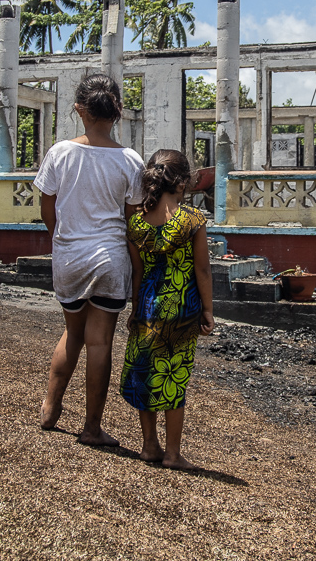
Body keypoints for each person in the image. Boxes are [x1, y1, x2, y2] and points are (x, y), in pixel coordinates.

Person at [35, 74, 145, 446]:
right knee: (100, 343)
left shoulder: (59, 153)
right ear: (117, 111)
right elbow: (133, 224)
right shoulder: (130, 160)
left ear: (79, 110)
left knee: (73, 333)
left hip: (69, 256)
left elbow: (47, 208)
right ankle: (92, 427)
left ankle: (51, 407)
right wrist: (138, 272)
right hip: (111, 259)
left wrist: (62, 241)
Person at [120, 149, 215, 469]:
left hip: (148, 306)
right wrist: (208, 310)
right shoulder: (192, 220)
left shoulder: (135, 224)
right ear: (183, 182)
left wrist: (134, 310)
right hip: (183, 308)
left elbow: (137, 273)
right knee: (175, 379)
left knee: (146, 372)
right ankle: (173, 453)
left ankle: (149, 446)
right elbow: (202, 270)